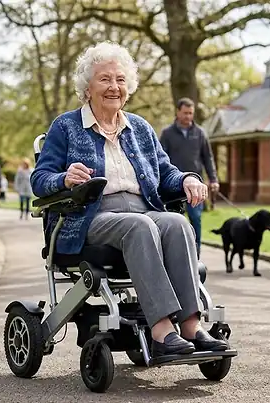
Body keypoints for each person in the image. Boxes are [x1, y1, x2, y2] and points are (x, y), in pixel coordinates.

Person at [30, 41, 228, 358]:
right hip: (90, 218)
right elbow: (39, 180)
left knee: (177, 223)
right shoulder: (66, 127)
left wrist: (189, 178)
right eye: (105, 79)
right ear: (87, 87)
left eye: (120, 80)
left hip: (143, 211)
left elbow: (165, 173)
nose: (114, 87)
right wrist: (64, 178)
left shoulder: (139, 127)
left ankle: (191, 327)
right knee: (139, 226)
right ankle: (162, 332)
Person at [160, 97, 219, 258]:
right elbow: (159, 160)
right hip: (173, 187)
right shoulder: (167, 134)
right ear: (177, 112)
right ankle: (174, 256)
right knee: (175, 222)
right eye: (185, 113)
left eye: (190, 113)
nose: (188, 116)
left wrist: (213, 179)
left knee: (196, 219)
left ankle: (195, 256)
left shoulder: (200, 133)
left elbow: (208, 158)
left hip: (196, 186)